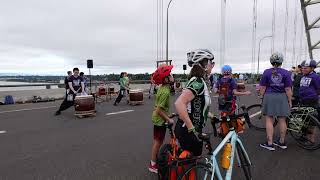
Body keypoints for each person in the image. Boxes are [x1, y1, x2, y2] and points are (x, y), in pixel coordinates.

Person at [174, 49, 215, 156]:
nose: (212, 66)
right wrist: (191, 128)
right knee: (190, 164)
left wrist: (210, 115)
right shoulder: (198, 82)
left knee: (188, 164)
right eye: (212, 63)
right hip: (188, 130)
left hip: (188, 129)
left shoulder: (196, 80)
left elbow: (194, 104)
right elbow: (179, 103)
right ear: (204, 64)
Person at [259, 52, 292, 151]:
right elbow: (288, 89)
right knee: (282, 119)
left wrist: (261, 97)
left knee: (269, 119)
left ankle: (270, 143)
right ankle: (282, 142)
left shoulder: (266, 72)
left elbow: (262, 87)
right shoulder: (286, 73)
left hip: (269, 96)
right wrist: (289, 101)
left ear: (271, 61)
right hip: (282, 97)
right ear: (281, 61)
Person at [148, 65, 175, 173]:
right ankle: (153, 165)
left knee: (158, 141)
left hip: (158, 118)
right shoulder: (165, 91)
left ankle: (154, 162)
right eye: (170, 75)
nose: (172, 76)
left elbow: (159, 107)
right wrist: (168, 120)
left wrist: (168, 115)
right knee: (158, 142)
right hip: (159, 120)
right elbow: (159, 110)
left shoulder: (162, 88)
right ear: (165, 79)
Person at [299, 59, 320, 144]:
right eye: (303, 68)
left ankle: (311, 140)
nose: (303, 69)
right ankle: (305, 136)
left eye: (306, 68)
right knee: (305, 119)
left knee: (312, 121)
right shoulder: (304, 76)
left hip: (311, 101)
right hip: (303, 100)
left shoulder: (315, 77)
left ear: (312, 68)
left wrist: (314, 95)